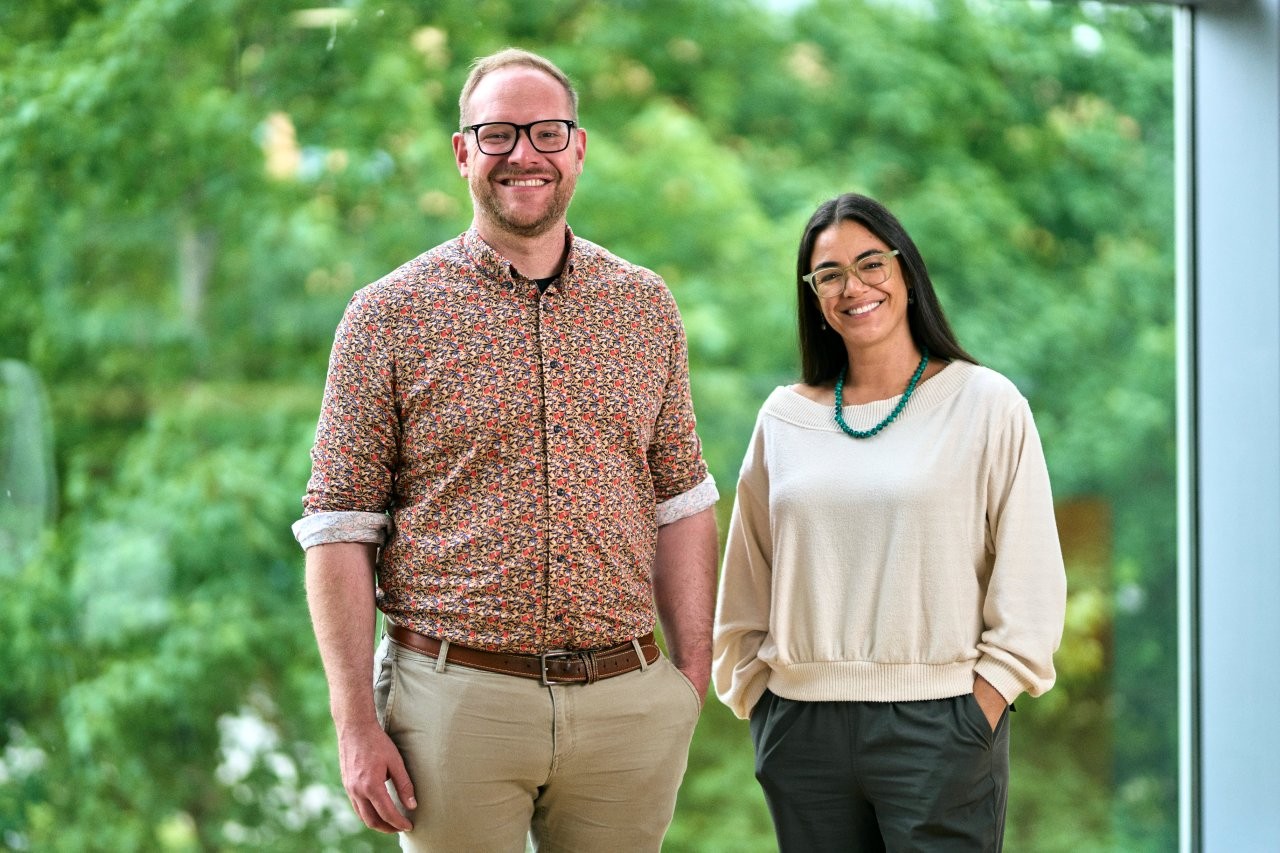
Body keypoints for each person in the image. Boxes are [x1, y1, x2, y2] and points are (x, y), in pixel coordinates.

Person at [293, 48, 719, 852]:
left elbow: (682, 497)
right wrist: (355, 724)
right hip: (453, 706)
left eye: (546, 132)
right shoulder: (387, 315)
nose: (524, 153)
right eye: (498, 133)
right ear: (463, 152)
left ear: (578, 148)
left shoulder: (644, 305)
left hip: (624, 705)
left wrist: (687, 681)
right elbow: (338, 527)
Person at [712, 192, 1066, 851]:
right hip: (801, 730)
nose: (854, 287)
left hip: (941, 722)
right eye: (830, 274)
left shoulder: (985, 404)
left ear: (906, 271)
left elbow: (1031, 584)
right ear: (815, 296)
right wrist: (761, 703)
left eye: (870, 262)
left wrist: (977, 710)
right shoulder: (783, 418)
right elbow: (747, 580)